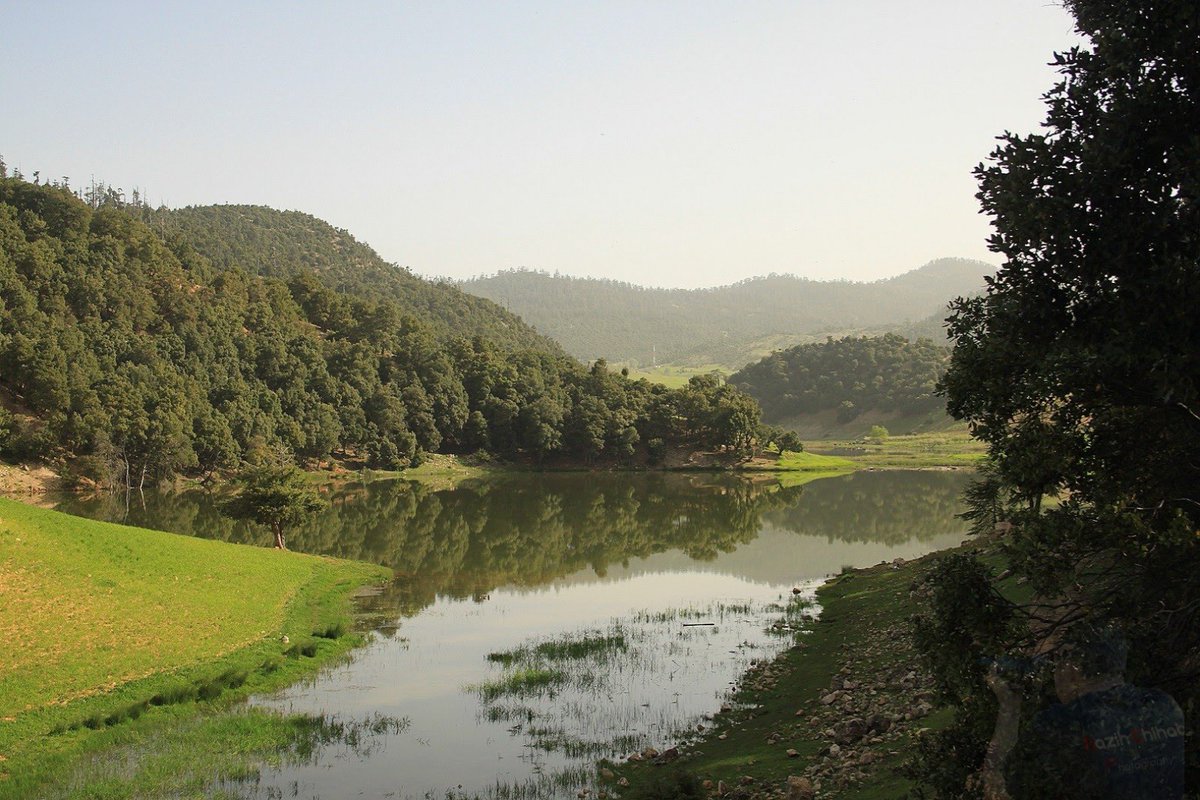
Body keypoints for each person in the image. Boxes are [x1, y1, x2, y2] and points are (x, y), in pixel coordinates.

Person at [981, 625, 1185, 799]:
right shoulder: (1162, 704)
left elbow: (998, 789)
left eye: (1056, 660)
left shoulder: (1062, 724)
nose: (1054, 671)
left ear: (1072, 669)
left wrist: (1009, 705)